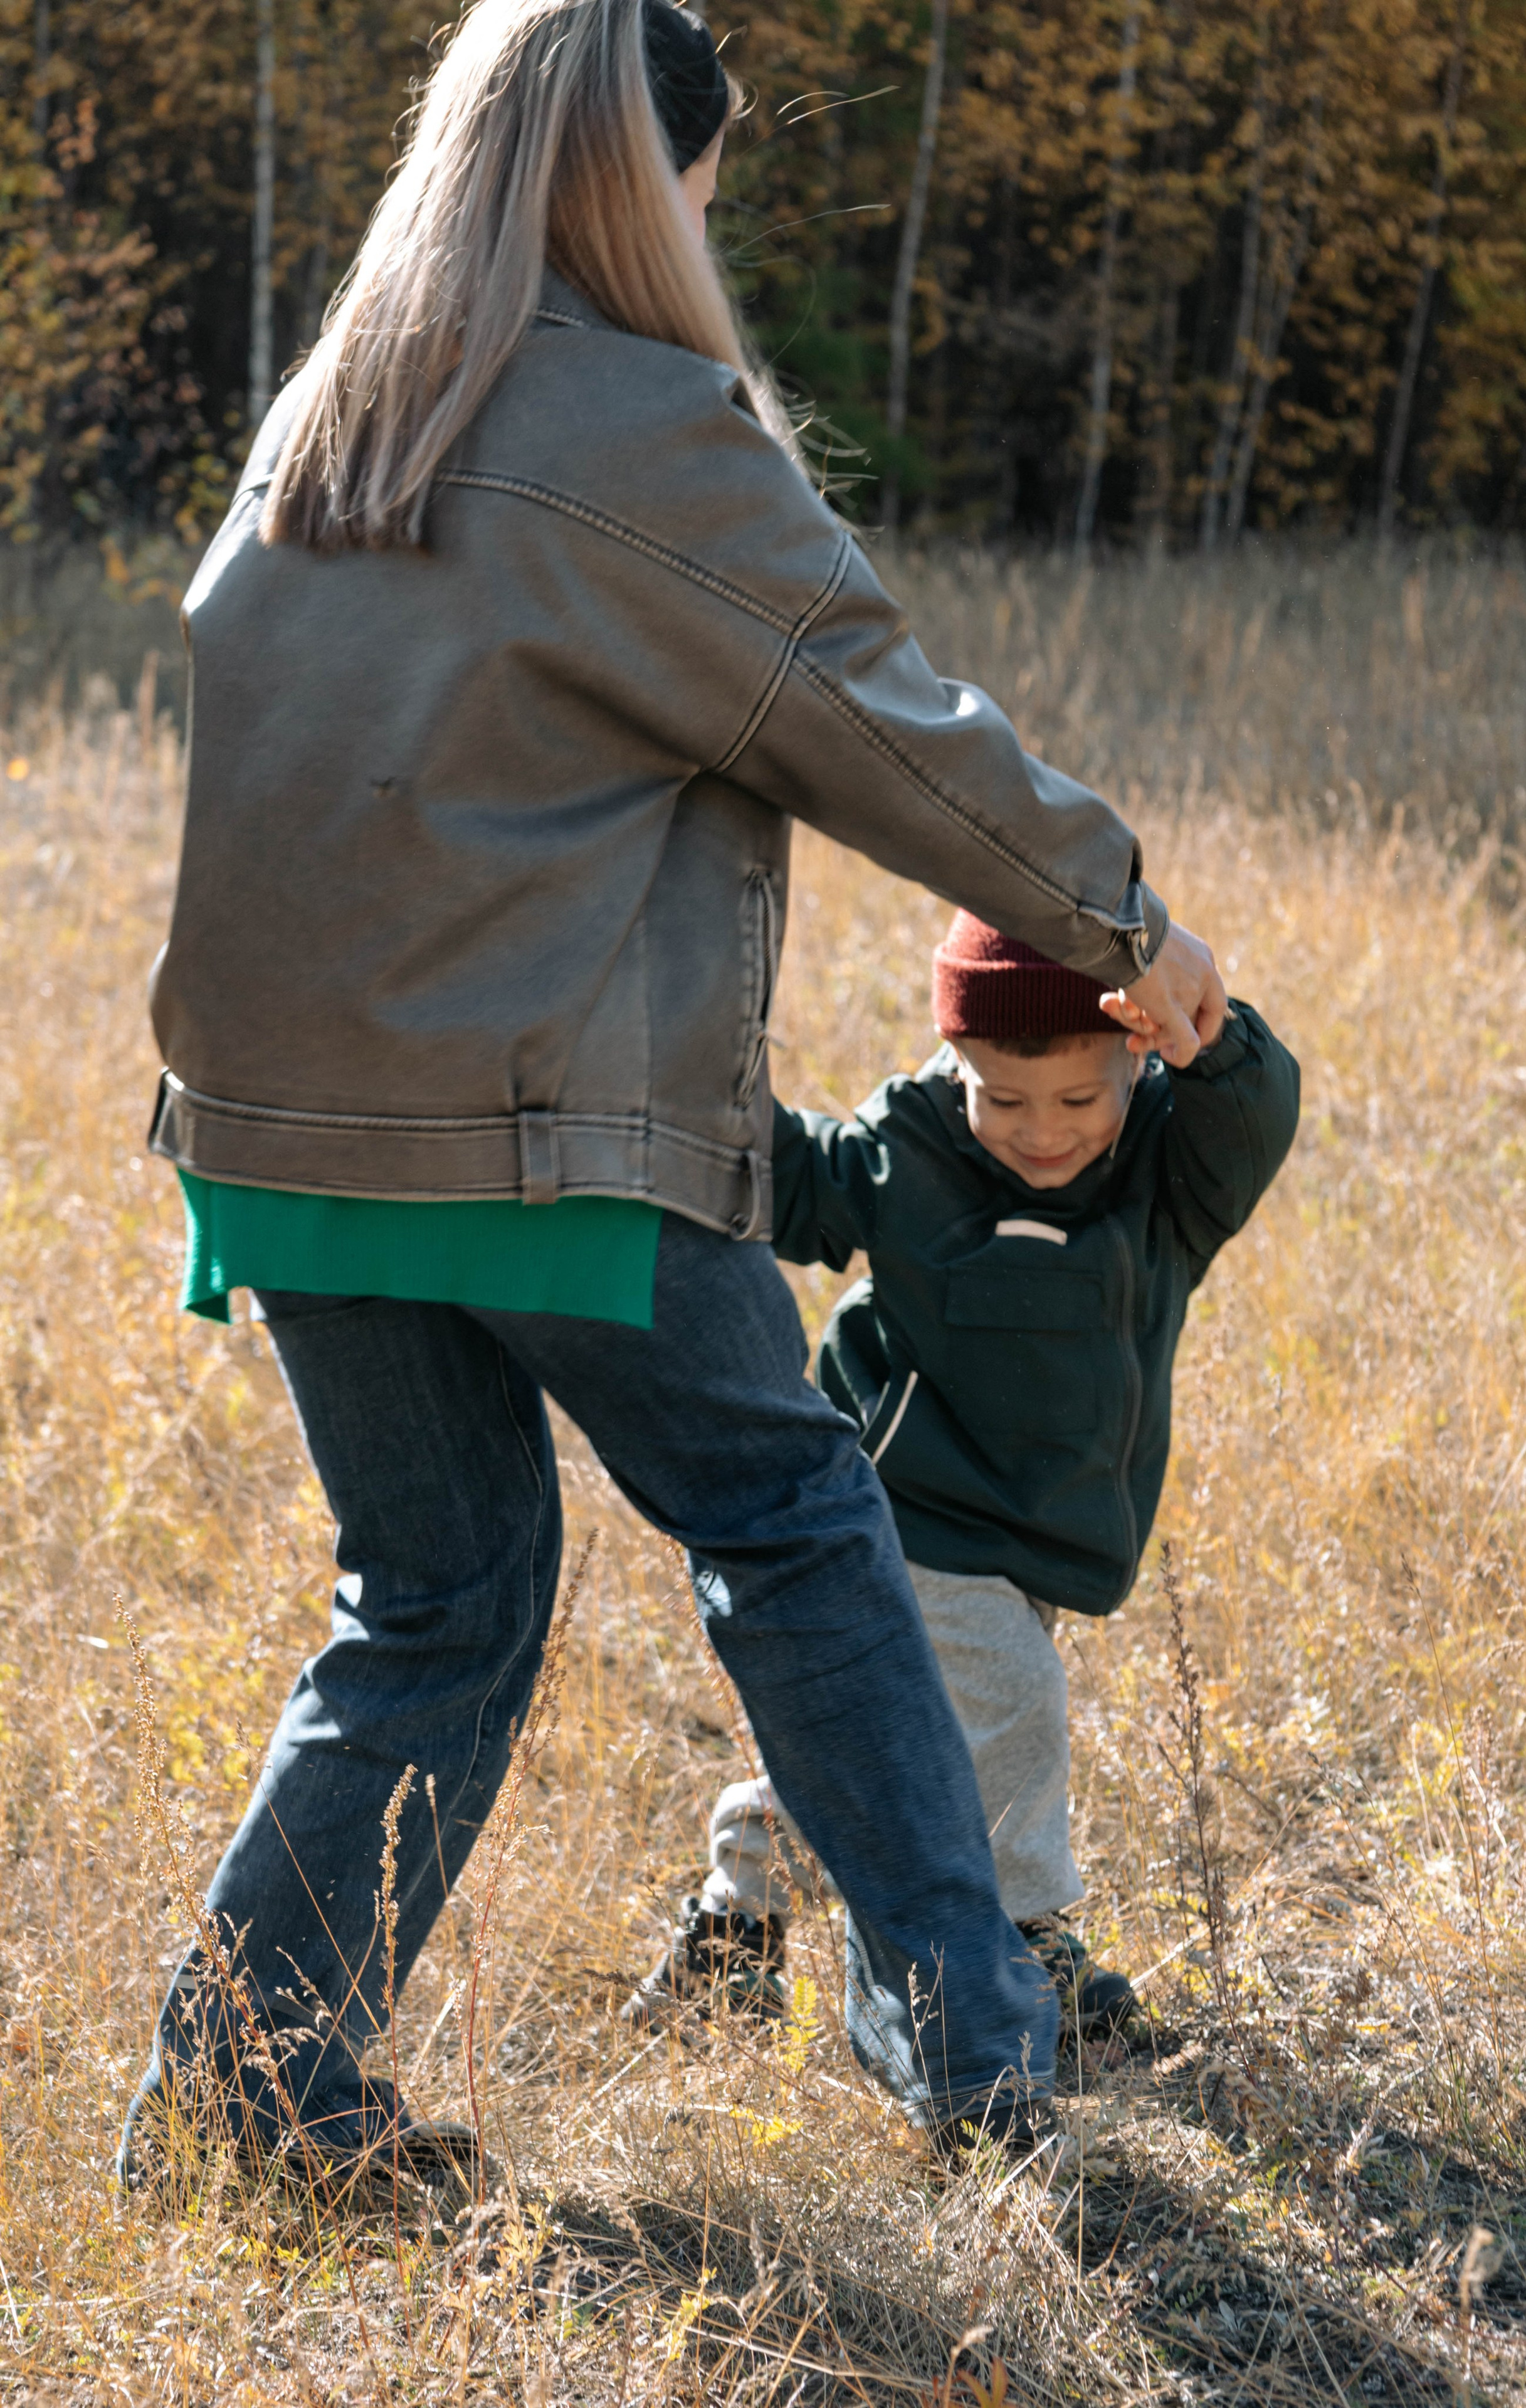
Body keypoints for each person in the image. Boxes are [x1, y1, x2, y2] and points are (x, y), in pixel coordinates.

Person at [118, 0, 1230, 2197]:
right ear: (654, 185)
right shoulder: (645, 425)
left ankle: (247, 2099)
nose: (709, 241)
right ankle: (982, 2065)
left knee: (433, 1596)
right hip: (545, 1129)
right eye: (706, 196)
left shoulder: (331, 415)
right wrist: (1122, 922)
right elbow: (883, 722)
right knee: (800, 1529)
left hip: (283, 1133)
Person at [627, 913, 1298, 2049]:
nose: (1043, 1131)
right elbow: (795, 1178)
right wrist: (678, 1086)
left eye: (1078, 1098)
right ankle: (1023, 1943)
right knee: (1013, 1704)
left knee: (898, 1744)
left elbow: (1253, 1118)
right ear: (954, 1061)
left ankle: (736, 1920)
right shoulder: (917, 1147)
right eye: (1004, 1097)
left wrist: (1208, 1034)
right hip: (908, 1508)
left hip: (1039, 1528)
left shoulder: (1169, 1173)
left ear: (1137, 1058)